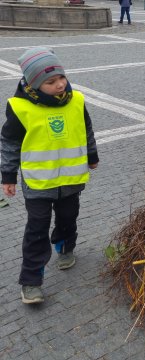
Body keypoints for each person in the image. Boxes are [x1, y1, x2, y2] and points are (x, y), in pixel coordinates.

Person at [0, 47, 99, 304]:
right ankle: (31, 280)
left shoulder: (76, 100)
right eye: (51, 81)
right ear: (34, 83)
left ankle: (65, 247)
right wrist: (8, 175)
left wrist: (92, 155)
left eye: (61, 78)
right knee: (37, 228)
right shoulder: (19, 107)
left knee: (68, 218)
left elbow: (86, 129)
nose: (60, 85)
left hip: (70, 180)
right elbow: (9, 143)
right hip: (38, 184)